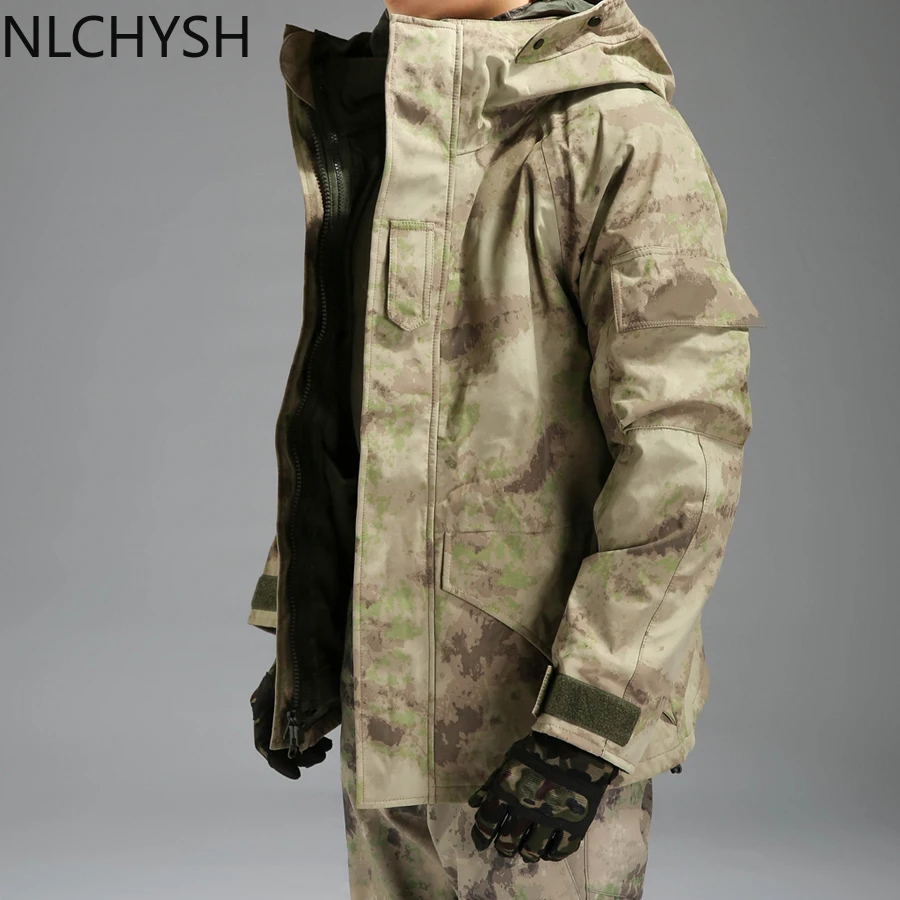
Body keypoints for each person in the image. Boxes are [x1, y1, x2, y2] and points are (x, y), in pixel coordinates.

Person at [247, 0, 764, 897]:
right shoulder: (383, 118)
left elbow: (687, 448)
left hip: (539, 744)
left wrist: (588, 723)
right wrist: (308, 632)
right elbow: (363, 412)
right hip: (388, 722)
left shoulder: (614, 132)